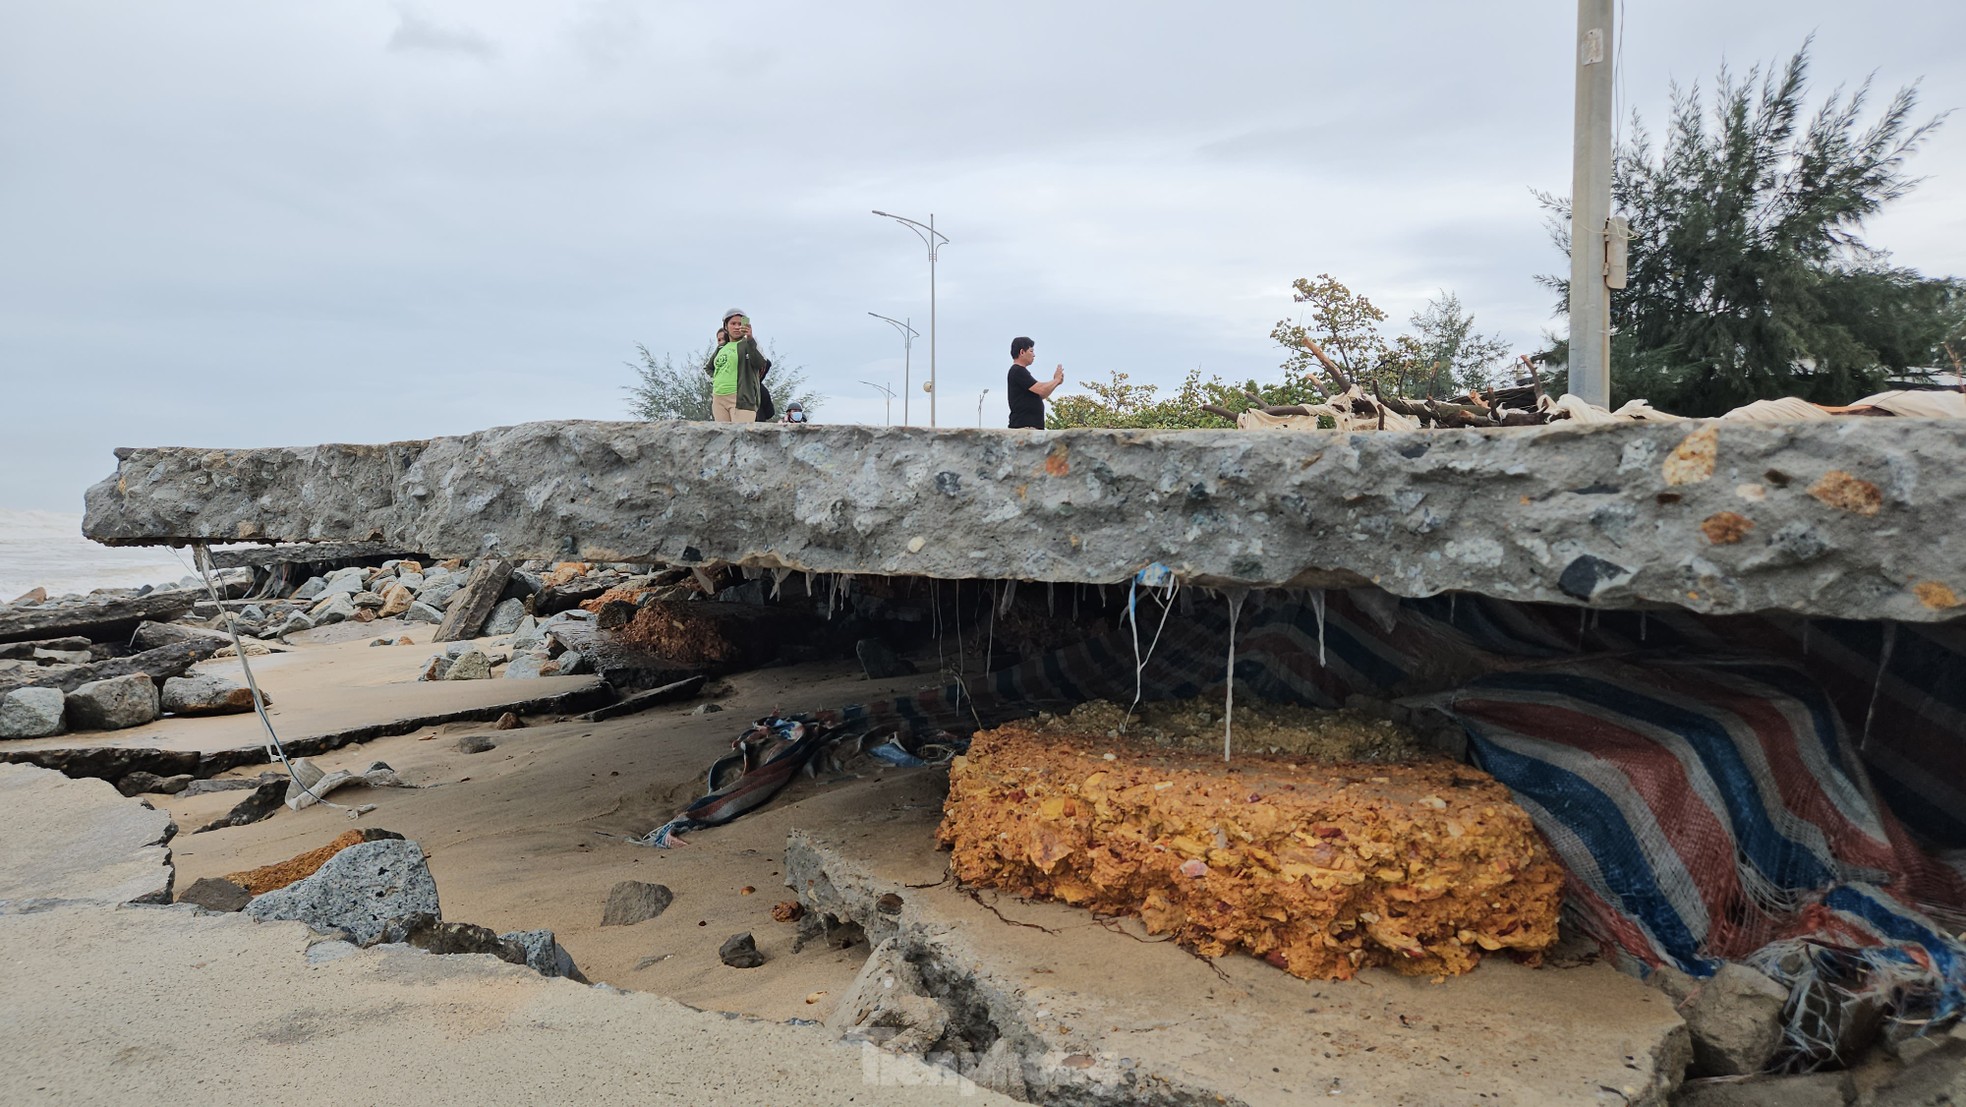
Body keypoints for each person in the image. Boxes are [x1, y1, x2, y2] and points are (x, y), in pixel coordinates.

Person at [705, 309, 771, 423]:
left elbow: (760, 363)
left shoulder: (748, 344)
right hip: (719, 397)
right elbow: (708, 368)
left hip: (741, 399)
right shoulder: (721, 348)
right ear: (726, 326)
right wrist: (715, 379)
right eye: (733, 323)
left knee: (742, 436)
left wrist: (750, 338)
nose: (736, 327)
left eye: (740, 324)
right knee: (723, 436)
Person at [1006, 336, 1064, 429]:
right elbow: (1041, 389)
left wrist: (1056, 383)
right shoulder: (1017, 371)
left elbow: (1041, 395)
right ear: (1022, 352)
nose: (1034, 355)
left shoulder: (1021, 371)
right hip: (1024, 427)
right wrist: (1056, 380)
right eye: (1031, 351)